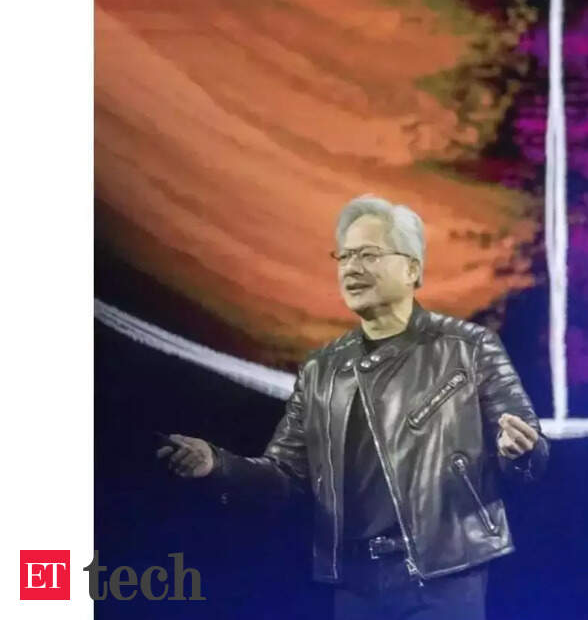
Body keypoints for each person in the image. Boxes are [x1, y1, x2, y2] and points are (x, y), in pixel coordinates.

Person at [156, 194, 550, 620]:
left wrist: (520, 451)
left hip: (445, 576)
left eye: (368, 255)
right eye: (344, 256)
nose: (351, 268)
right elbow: (285, 476)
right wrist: (218, 464)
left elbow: (531, 449)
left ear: (412, 268)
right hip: (355, 587)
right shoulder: (322, 370)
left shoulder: (468, 348)